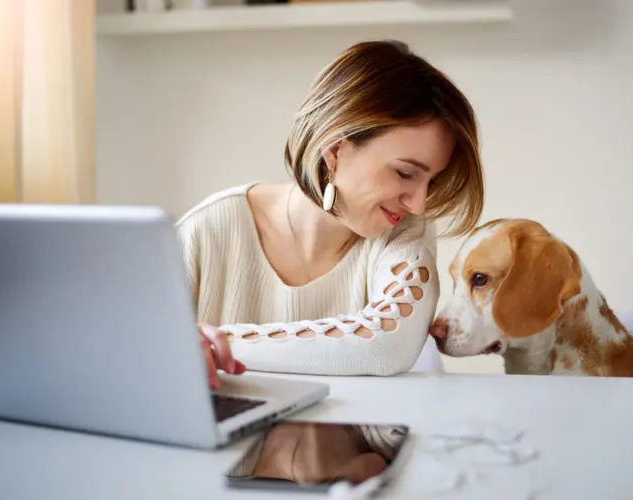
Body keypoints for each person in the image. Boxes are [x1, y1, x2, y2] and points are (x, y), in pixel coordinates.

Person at [178, 40, 484, 389]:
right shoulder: (203, 234)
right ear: (334, 149)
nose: (418, 204)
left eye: (431, 180)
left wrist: (213, 344)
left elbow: (386, 346)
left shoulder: (402, 235)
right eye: (404, 173)